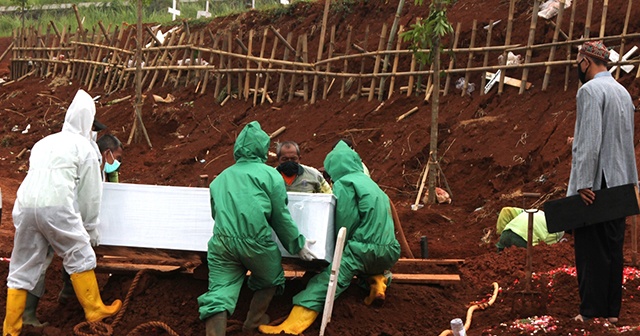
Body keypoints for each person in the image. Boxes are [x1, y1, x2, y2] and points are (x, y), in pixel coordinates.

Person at [3, 90, 122, 336]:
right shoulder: (86, 149)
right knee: (79, 252)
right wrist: (89, 229)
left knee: (22, 265)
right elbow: (90, 196)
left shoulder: (43, 143)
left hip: (25, 206)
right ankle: (94, 309)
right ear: (88, 122)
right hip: (57, 207)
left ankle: (10, 328)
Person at [259, 141, 401, 335]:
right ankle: (378, 281)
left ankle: (289, 328)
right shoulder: (371, 183)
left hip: (362, 250)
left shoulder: (346, 183)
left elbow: (345, 222)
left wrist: (332, 251)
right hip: (390, 251)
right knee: (371, 266)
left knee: (325, 283)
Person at [197, 121, 316, 336]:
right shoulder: (270, 175)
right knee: (270, 277)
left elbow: (216, 214)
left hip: (222, 243)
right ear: (262, 148)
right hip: (255, 242)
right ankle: (252, 323)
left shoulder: (220, 178)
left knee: (219, 292)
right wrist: (297, 243)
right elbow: (279, 216)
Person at [570, 41, 638, 324]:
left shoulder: (589, 91)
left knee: (590, 252)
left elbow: (590, 142)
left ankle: (590, 312)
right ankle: (611, 313)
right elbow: (617, 139)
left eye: (578, 60)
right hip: (621, 184)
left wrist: (583, 183)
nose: (577, 66)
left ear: (586, 61)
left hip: (597, 185)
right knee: (612, 251)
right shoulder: (621, 91)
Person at [495, 207, 564, 251]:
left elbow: (506, 211)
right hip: (523, 240)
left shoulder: (538, 212)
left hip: (506, 232)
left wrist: (500, 233)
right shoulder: (558, 231)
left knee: (499, 251)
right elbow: (547, 246)